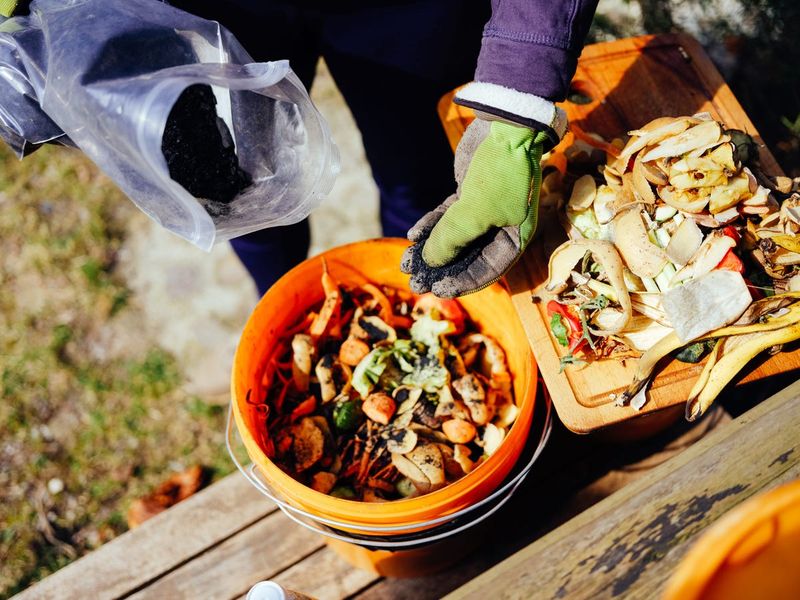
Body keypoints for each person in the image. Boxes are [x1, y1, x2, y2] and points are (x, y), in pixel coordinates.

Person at [168, 0, 600, 297]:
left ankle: (409, 306)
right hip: (219, 12)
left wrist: (515, 109)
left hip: (408, 14)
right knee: (240, 191)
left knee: (418, 183)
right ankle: (280, 309)